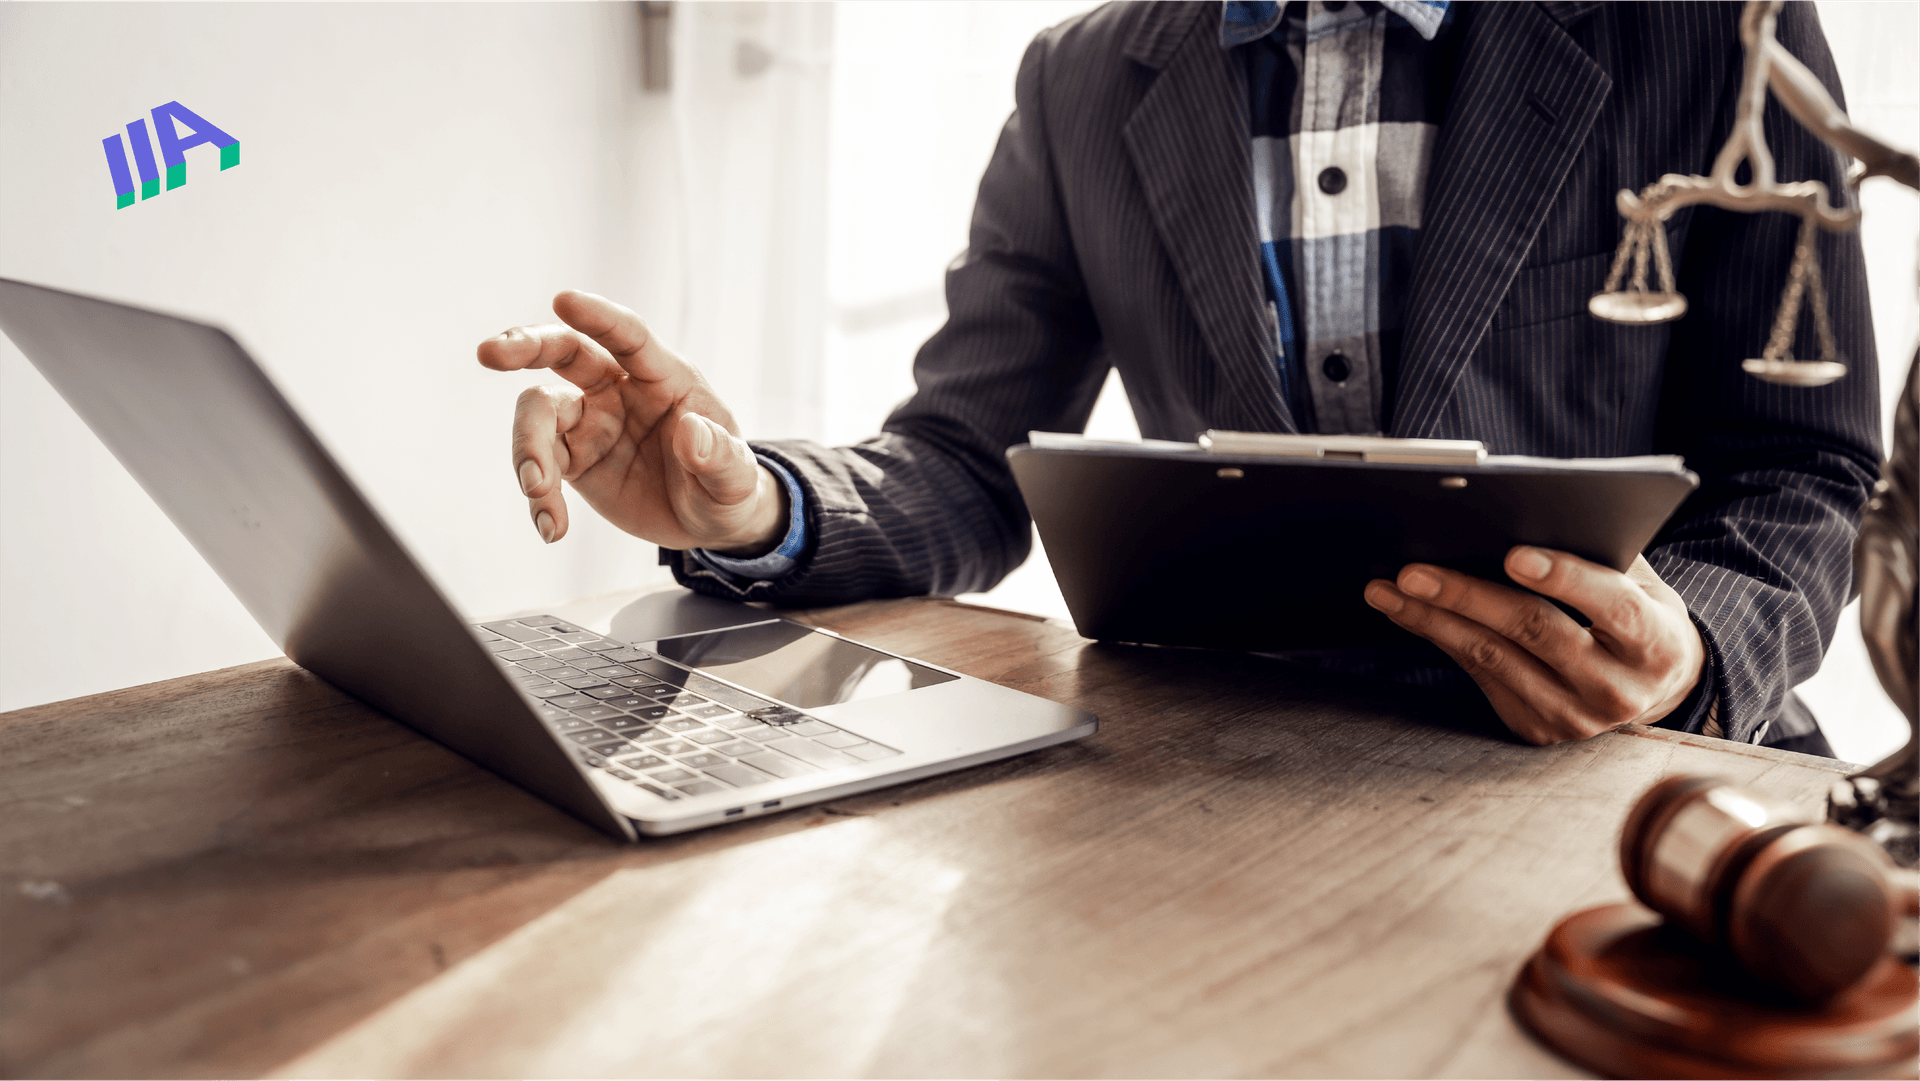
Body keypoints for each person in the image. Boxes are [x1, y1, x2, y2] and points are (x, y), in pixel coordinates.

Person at [477, 0, 1880, 755]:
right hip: (1219, 773)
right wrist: (744, 500)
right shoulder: (1080, 79)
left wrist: (1688, 654)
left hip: (1610, 778)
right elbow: (966, 457)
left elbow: (1801, 465)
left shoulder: (1717, 29)